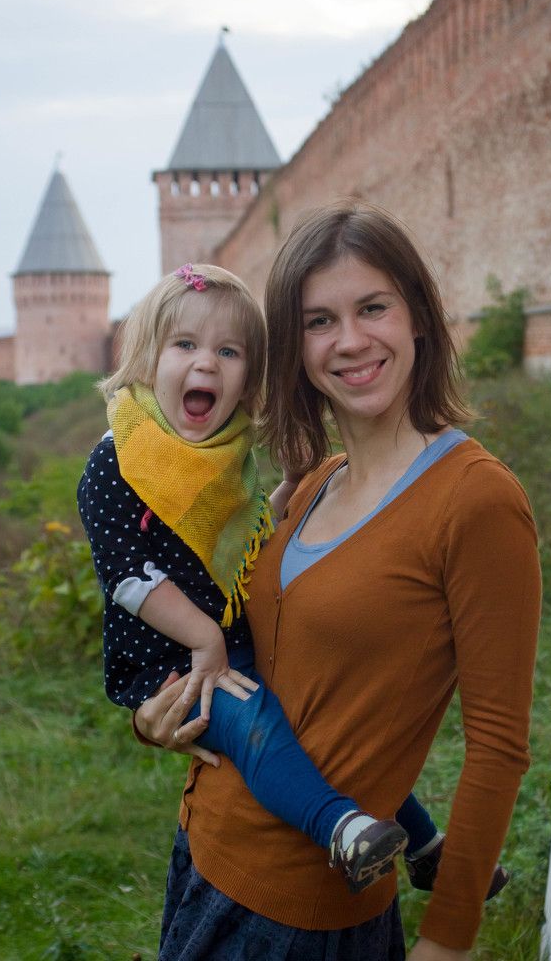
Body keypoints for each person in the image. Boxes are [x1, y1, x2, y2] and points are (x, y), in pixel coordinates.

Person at [135, 203, 541, 961]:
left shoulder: (475, 500)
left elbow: (497, 744)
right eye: (319, 321)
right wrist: (157, 719)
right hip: (204, 851)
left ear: (418, 317)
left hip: (304, 912)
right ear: (294, 350)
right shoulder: (313, 483)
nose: (350, 341)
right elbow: (261, 667)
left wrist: (448, 938)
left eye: (373, 308)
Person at [77, 261, 454, 896]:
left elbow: (246, 541)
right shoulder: (118, 459)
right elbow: (128, 577)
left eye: (229, 352)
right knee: (259, 728)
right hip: (172, 666)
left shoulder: (226, 456)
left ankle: (425, 846)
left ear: (249, 378)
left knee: (322, 725)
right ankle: (340, 828)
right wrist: (204, 639)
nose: (207, 363)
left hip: (230, 644)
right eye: (185, 345)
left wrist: (287, 490)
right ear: (146, 358)